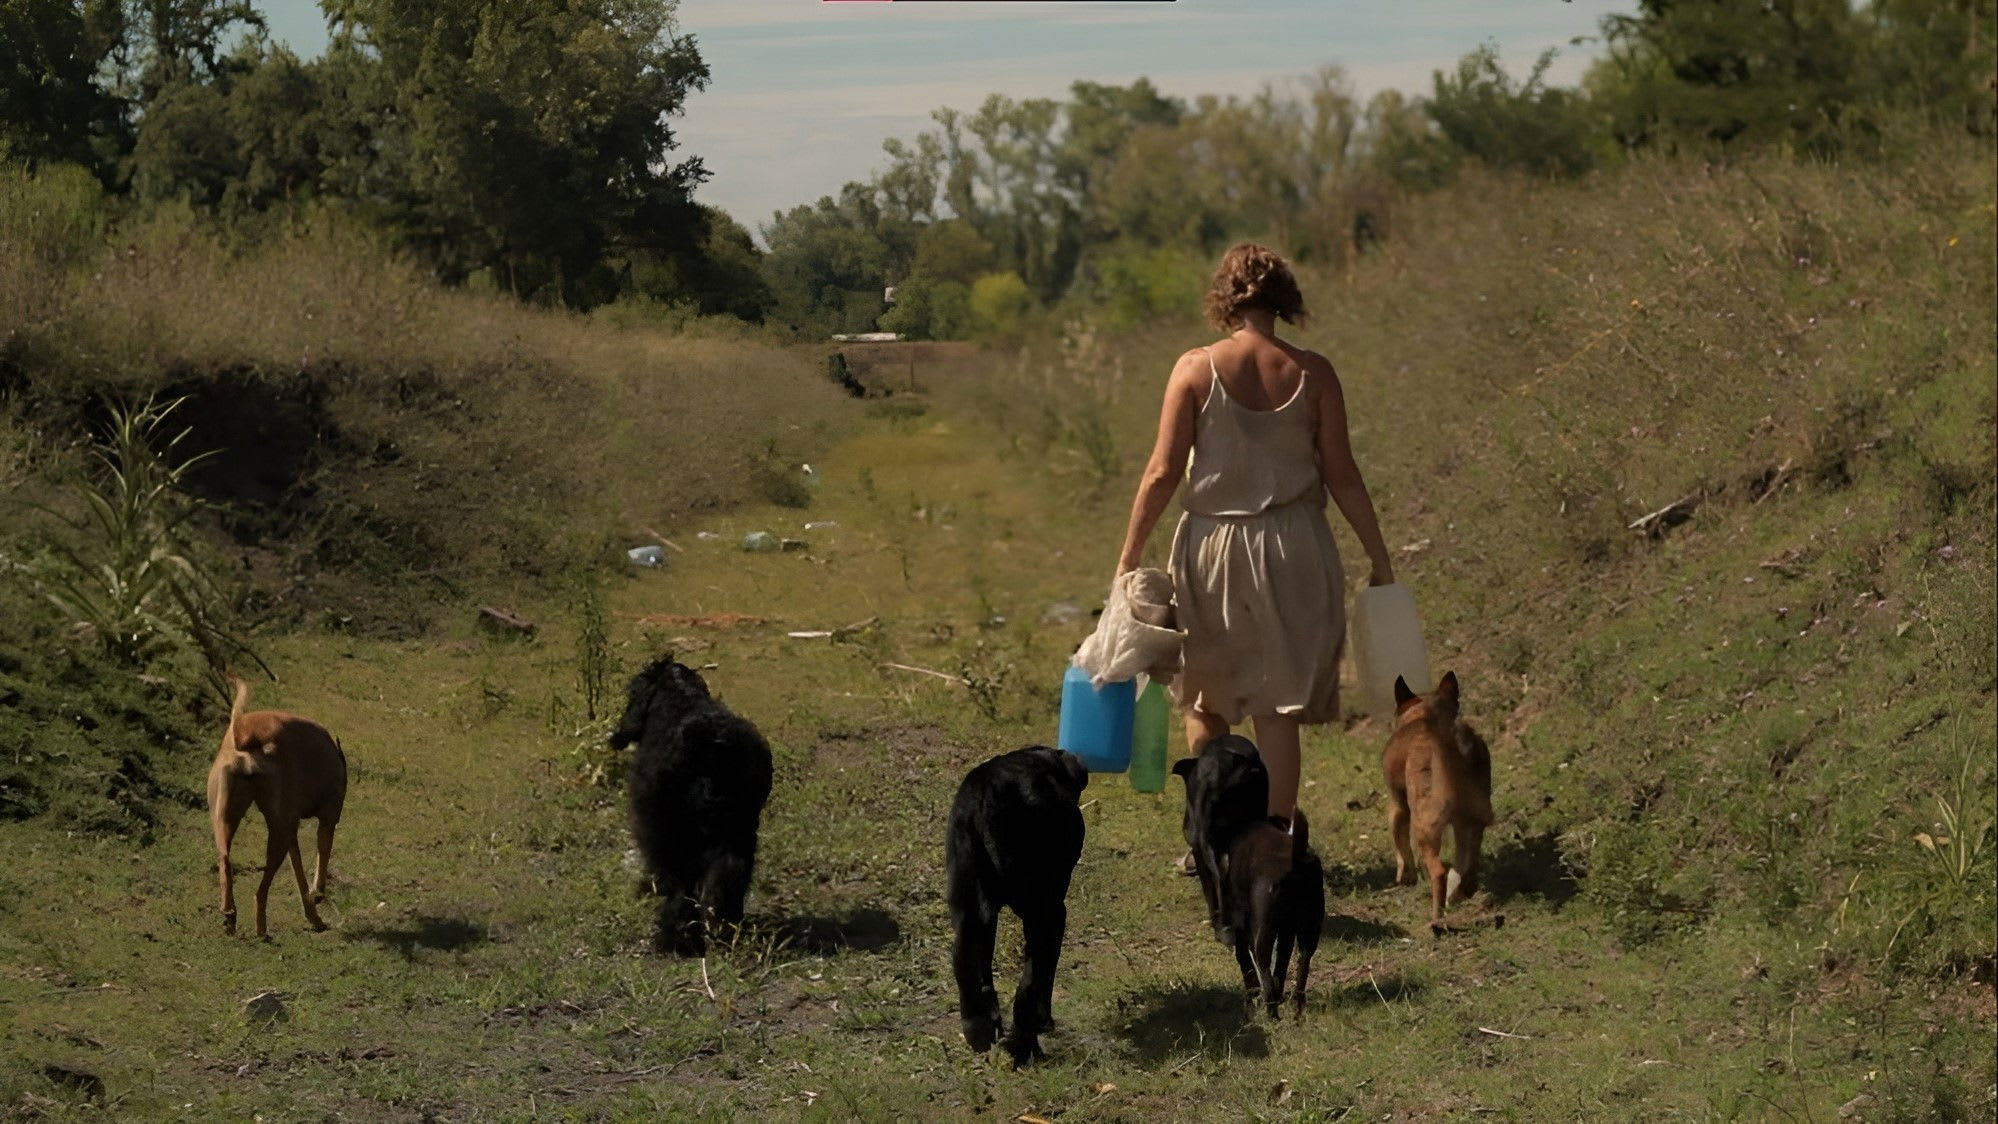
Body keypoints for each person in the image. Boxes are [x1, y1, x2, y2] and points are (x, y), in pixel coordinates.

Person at [1113, 243, 1396, 843]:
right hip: (1296, 547)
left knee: (1206, 703)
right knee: (1278, 709)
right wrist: (1378, 555)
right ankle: (1275, 840)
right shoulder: (1314, 373)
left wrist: (1129, 555)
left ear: (1224, 297)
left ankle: (1211, 838)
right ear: (1285, 297)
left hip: (1212, 544)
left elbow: (1163, 470)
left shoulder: (1194, 368)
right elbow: (1342, 473)